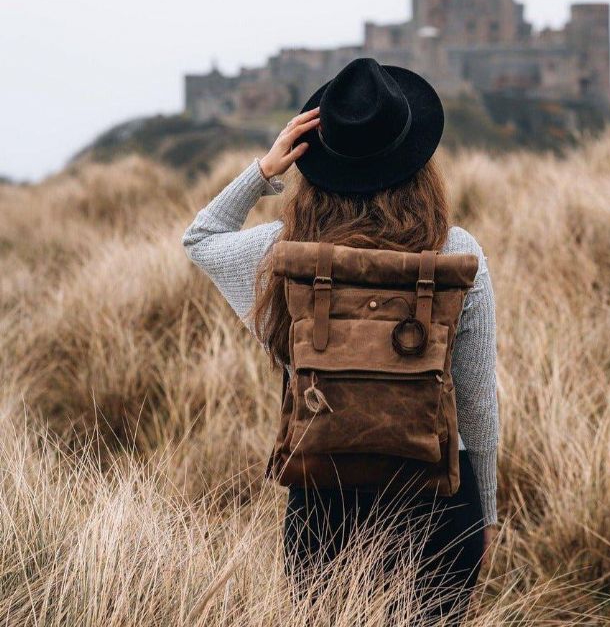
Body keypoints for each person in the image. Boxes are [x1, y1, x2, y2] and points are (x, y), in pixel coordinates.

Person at [183, 57, 499, 622]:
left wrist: (264, 169)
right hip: (439, 500)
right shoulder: (456, 251)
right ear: (418, 158)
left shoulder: (284, 254)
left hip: (323, 503)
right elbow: (477, 402)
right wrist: (487, 515)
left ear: (320, 157)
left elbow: (201, 237)